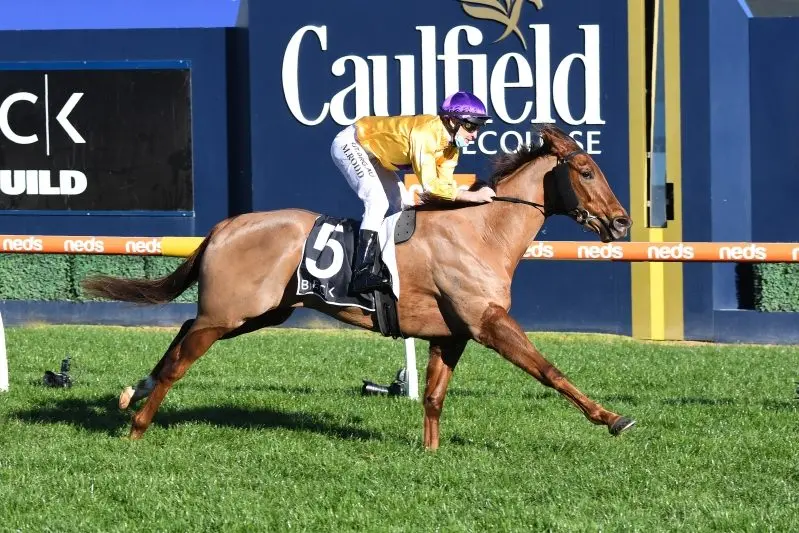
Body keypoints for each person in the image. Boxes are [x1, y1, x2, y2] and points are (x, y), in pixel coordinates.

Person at [330, 91, 497, 294]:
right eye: (471, 126)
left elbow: (444, 187)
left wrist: (469, 198)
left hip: (375, 156)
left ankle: (387, 265)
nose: (474, 135)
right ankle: (361, 273)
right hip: (351, 143)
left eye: (478, 128)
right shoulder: (426, 134)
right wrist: (471, 195)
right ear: (452, 121)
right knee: (377, 202)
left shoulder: (451, 148)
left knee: (403, 206)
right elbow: (430, 186)